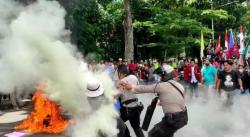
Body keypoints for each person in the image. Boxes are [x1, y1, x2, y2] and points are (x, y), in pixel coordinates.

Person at [117, 71, 188, 137]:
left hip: (172, 118)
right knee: (167, 134)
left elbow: (143, 88)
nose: (160, 78)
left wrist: (132, 86)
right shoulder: (179, 85)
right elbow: (179, 98)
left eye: (161, 76)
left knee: (153, 134)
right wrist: (165, 101)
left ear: (165, 76)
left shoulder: (161, 86)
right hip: (183, 117)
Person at [116, 64, 145, 137]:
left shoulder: (121, 81)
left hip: (126, 109)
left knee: (119, 125)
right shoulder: (134, 77)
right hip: (136, 106)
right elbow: (137, 88)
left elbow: (117, 95)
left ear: (120, 73)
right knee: (137, 127)